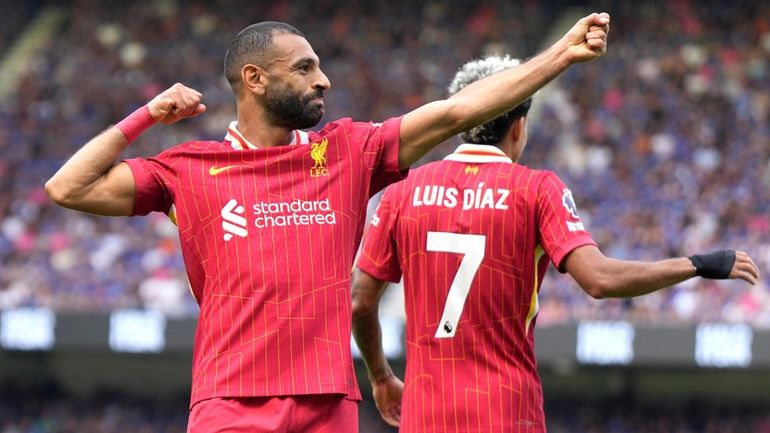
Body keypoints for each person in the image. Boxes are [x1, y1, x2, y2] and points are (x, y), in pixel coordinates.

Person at [45, 14, 611, 433]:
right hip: (229, 401)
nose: (325, 81)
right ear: (255, 79)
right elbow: (68, 187)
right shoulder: (189, 170)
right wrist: (146, 115)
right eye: (305, 68)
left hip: (328, 403)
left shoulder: (345, 152)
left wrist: (559, 57)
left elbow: (458, 112)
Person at [350, 55, 761, 432]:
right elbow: (600, 280)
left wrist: (381, 377)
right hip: (507, 412)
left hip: (426, 416)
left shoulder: (404, 192)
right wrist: (696, 264)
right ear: (519, 125)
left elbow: (360, 300)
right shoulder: (536, 189)